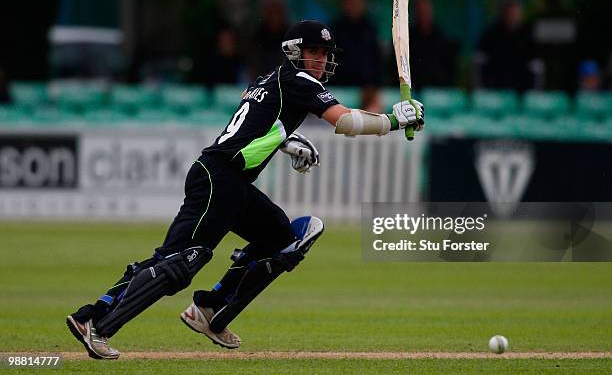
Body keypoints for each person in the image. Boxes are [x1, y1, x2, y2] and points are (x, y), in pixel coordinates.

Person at [66, 20, 425, 360]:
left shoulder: (269, 80)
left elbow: (255, 120)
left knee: (282, 239)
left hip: (233, 184)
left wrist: (286, 141)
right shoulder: (298, 80)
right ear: (295, 51)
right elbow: (345, 122)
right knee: (179, 262)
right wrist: (395, 121)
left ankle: (209, 309)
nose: (321, 59)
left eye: (325, 53)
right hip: (218, 177)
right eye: (314, 51)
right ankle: (94, 320)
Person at [331, 0, 384, 111]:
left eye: (357, 3)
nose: (354, 7)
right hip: (339, 89)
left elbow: (376, 61)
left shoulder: (370, 28)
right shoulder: (334, 29)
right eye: (350, 3)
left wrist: (373, 86)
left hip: (368, 91)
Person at [476, 0, 535, 92]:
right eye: (509, 13)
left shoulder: (526, 34)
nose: (512, 16)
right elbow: (480, 57)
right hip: (496, 80)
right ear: (502, 14)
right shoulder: (491, 34)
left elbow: (534, 59)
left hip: (520, 81)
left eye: (515, 13)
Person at [409, 0, 459, 88]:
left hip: (439, 91)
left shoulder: (442, 39)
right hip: (413, 88)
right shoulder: (408, 39)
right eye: (420, 12)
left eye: (425, 12)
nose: (423, 16)